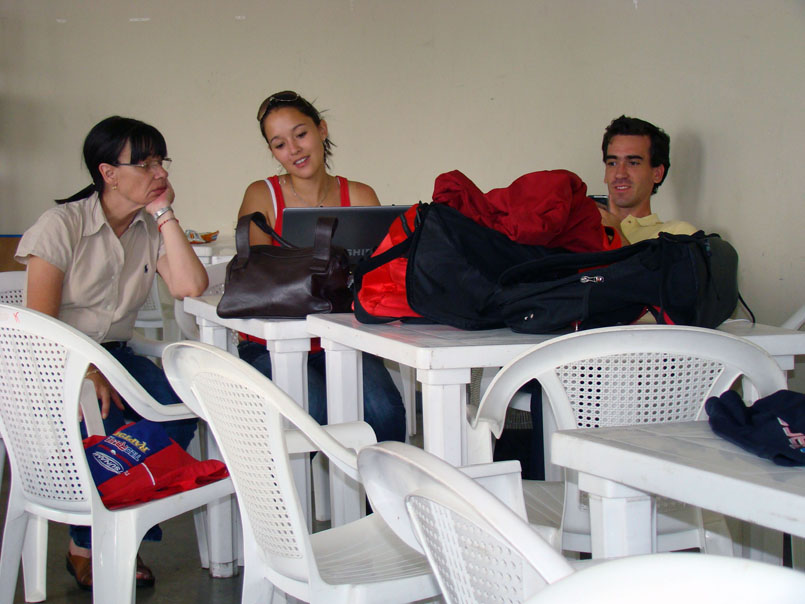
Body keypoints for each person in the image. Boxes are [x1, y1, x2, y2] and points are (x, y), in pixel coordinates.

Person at [15, 116, 208, 591]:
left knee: (185, 405)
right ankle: (97, 544)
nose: (160, 172)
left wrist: (165, 214)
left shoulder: (147, 227)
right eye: (145, 164)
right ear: (108, 173)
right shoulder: (62, 225)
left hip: (117, 357)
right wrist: (84, 367)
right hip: (55, 359)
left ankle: (108, 532)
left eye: (161, 161)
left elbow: (190, 286)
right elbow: (39, 326)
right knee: (107, 423)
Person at [236, 90, 406, 443]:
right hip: (272, 343)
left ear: (322, 130)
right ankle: (305, 482)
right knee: (313, 407)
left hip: (343, 338)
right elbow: (256, 274)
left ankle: (376, 482)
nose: (294, 149)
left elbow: (382, 275)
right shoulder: (261, 194)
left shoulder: (360, 195)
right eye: (280, 144)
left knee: (384, 411)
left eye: (301, 134)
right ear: (272, 152)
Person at [598, 115, 697, 244]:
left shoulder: (677, 233)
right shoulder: (585, 230)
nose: (620, 174)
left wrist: (615, 232)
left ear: (657, 173)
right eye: (612, 163)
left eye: (633, 163)